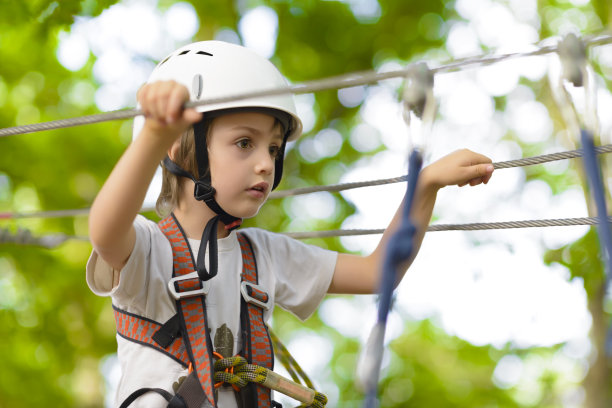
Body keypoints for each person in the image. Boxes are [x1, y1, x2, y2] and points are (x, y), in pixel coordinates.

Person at [87, 41, 494, 408]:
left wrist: (424, 188)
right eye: (245, 143)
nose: (266, 162)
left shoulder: (263, 255)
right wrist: (153, 136)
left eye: (274, 148)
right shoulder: (148, 249)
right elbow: (105, 230)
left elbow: (376, 272)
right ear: (179, 147)